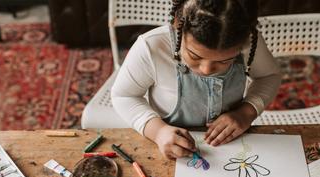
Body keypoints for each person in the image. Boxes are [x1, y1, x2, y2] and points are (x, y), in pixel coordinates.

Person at [111, 0, 281, 159]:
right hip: (167, 144)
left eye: (224, 61)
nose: (206, 69)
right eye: (194, 55)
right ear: (177, 24)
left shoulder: (249, 43)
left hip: (232, 146)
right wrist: (158, 132)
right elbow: (124, 96)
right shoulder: (152, 47)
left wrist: (246, 112)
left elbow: (269, 76)